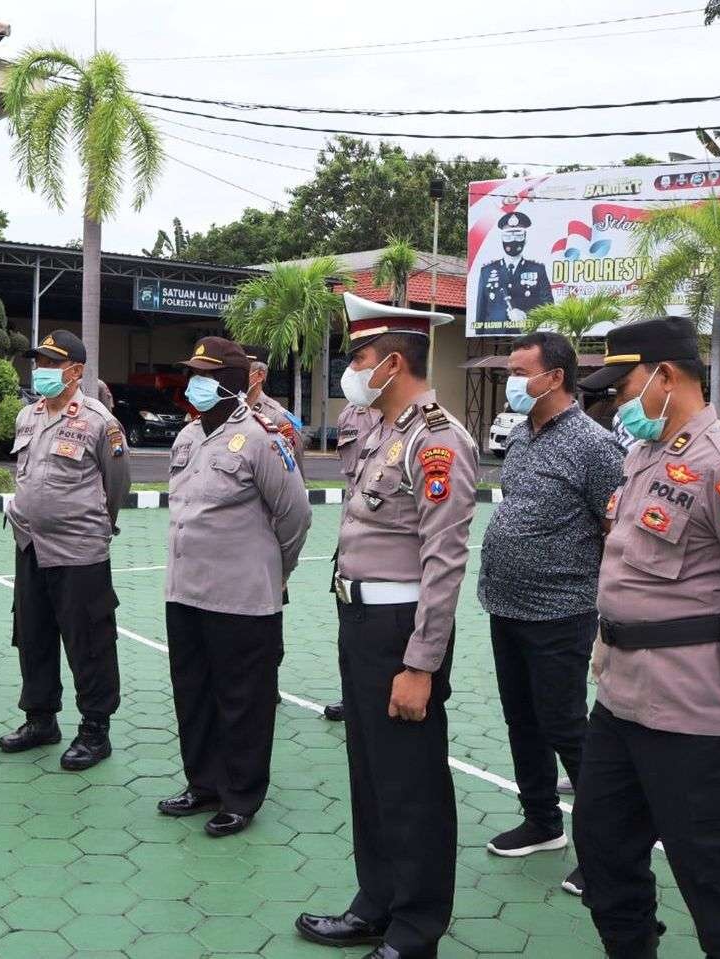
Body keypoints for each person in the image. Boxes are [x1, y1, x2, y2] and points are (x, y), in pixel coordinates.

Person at [571, 316, 720, 959]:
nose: (617, 405)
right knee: (604, 854)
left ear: (665, 378)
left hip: (696, 715)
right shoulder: (646, 454)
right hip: (620, 701)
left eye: (623, 391)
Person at [296, 292, 476, 959]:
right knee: (371, 773)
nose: (352, 369)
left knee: (412, 782)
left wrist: (421, 664)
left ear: (393, 362)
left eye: (361, 357)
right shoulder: (382, 430)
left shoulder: (436, 442)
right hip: (361, 621)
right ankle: (375, 903)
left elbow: (445, 562)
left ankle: (415, 928)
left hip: (403, 630)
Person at [478, 330, 624, 897]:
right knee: (523, 719)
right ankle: (541, 821)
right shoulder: (523, 436)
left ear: (554, 377)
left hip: (560, 610)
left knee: (566, 725)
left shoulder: (593, 445)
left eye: (520, 373)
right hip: (507, 604)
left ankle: (605, 851)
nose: (512, 383)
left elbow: (616, 530)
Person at [158, 337, 310, 837]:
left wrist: (271, 570)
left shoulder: (264, 437)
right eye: (192, 373)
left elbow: (295, 516)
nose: (193, 383)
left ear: (230, 381)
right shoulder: (187, 438)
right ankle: (203, 784)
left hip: (242, 597)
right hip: (184, 592)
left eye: (204, 374)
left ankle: (240, 796)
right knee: (193, 693)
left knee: (243, 699)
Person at [0, 329, 130, 770]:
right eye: (39, 362)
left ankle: (95, 730)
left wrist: (98, 525)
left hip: (79, 550)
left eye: (52, 364)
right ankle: (40, 719)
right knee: (32, 634)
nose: (42, 371)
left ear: (76, 371)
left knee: (89, 640)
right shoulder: (28, 416)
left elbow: (117, 484)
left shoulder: (99, 421)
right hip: (30, 543)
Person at [322, 400, 382, 724]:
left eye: (362, 360)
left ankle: (381, 696)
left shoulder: (412, 418)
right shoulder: (350, 413)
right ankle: (352, 695)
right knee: (348, 624)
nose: (355, 371)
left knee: (383, 628)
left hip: (386, 549)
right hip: (349, 541)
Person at [475, 211, 554, 328]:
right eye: (508, 235)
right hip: (493, 335)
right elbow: (480, 312)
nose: (513, 240)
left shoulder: (538, 270)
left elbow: (549, 308)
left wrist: (526, 315)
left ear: (525, 239)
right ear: (502, 239)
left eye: (518, 235)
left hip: (527, 335)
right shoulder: (487, 271)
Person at [240, 343, 303, 449]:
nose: (236, 375)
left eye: (243, 370)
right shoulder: (227, 408)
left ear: (260, 375)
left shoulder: (278, 418)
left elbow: (292, 463)